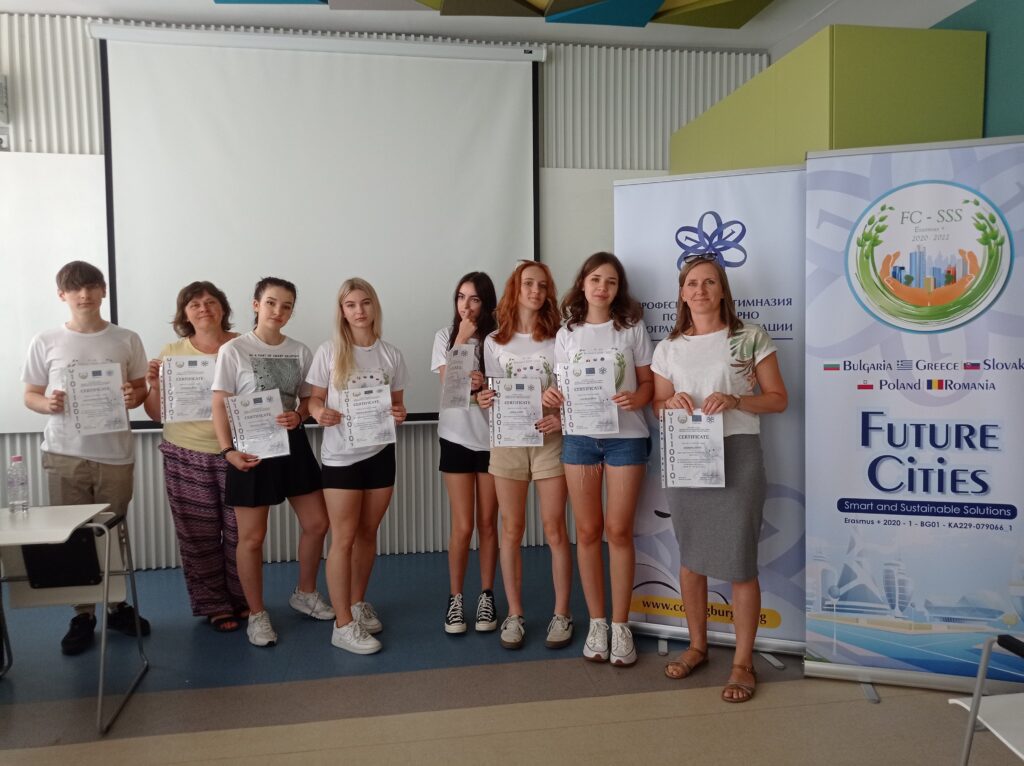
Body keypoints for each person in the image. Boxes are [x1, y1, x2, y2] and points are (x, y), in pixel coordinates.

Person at [651, 255, 787, 703]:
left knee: (740, 562)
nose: (700, 290)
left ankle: (743, 663)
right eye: (692, 283)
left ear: (723, 290)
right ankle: (697, 646)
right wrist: (670, 404)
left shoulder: (750, 337)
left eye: (710, 282)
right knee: (691, 558)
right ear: (682, 293)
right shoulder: (668, 347)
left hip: (738, 454)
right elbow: (658, 405)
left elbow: (778, 399)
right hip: (687, 456)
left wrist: (736, 400)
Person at [21, 260, 151, 655]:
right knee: (73, 537)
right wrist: (47, 404)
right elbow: (30, 395)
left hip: (114, 455)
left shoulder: (126, 339)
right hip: (65, 454)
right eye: (75, 288)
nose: (84, 294)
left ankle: (116, 606)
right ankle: (82, 614)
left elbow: (141, 388)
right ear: (62, 294)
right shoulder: (46, 340)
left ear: (103, 290)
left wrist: (133, 396)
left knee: (111, 532)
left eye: (92, 286)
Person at [211, 277, 334, 647]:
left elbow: (307, 400)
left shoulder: (300, 350)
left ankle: (305, 592)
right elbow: (219, 403)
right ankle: (257, 613)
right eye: (270, 302)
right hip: (250, 447)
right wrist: (228, 451)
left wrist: (300, 415)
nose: (278, 311)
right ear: (256, 305)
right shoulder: (234, 350)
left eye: (286, 306)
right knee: (252, 538)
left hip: (292, 443)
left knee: (318, 522)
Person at [545, 252, 653, 666]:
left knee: (618, 531)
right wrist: (553, 397)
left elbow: (648, 384)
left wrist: (637, 399)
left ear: (618, 288)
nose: (602, 287)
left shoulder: (631, 327)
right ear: (583, 284)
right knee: (588, 532)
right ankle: (597, 622)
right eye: (595, 279)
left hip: (627, 439)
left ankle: (621, 625)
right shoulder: (567, 333)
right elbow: (561, 387)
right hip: (580, 440)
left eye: (610, 281)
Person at [307, 278, 407, 654]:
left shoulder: (391, 354)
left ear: (374, 306)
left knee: (367, 533)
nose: (359, 311)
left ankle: (357, 602)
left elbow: (398, 404)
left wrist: (399, 414)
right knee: (343, 538)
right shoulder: (329, 352)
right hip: (341, 458)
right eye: (351, 305)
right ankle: (342, 624)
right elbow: (314, 400)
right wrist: (319, 412)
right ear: (342, 311)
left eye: (365, 303)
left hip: (380, 453)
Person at [478, 261, 572, 650]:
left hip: (550, 440)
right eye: (528, 284)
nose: (535, 291)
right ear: (515, 289)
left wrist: (560, 415)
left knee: (555, 529)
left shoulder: (561, 338)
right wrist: (484, 399)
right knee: (511, 530)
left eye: (543, 285)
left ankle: (562, 613)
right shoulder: (493, 341)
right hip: (509, 443)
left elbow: (572, 393)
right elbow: (491, 395)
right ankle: (514, 614)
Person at [143, 281, 247, 632]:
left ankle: (243, 598)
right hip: (185, 453)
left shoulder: (244, 345)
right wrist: (154, 385)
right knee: (198, 535)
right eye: (194, 304)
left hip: (238, 452)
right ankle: (214, 605)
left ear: (223, 308)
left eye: (211, 302)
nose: (204, 308)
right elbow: (156, 414)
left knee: (242, 533)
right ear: (184, 314)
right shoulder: (172, 353)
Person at [431, 272, 499, 635]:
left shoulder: (499, 338)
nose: (466, 305)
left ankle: (487, 595)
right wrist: (461, 339)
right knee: (462, 525)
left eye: (474, 299)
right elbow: (449, 385)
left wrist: (486, 385)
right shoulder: (445, 336)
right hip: (455, 437)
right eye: (460, 297)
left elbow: (511, 387)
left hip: (492, 441)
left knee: (488, 523)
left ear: (486, 303)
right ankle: (455, 598)